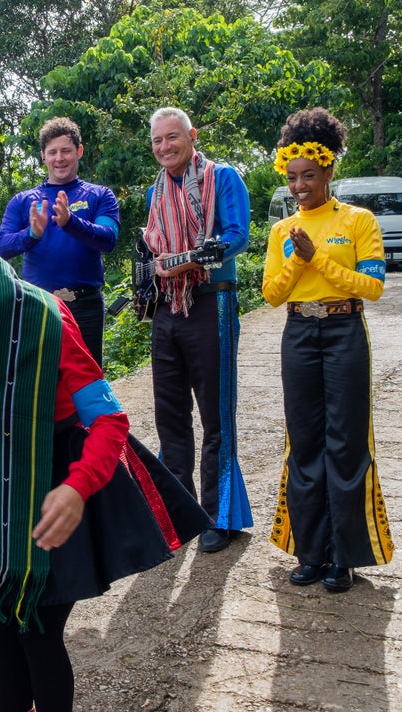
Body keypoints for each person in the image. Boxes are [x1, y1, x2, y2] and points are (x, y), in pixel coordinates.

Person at [0, 188, 209, 712]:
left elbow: (109, 422)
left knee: (37, 633)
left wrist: (76, 489)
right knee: (3, 628)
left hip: (49, 487)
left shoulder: (46, 318)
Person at [262, 107, 394, 592]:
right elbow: (272, 294)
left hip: (344, 331)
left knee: (345, 440)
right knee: (305, 441)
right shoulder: (281, 232)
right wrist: (299, 263)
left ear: (328, 171)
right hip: (298, 334)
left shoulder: (358, 221)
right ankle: (311, 552)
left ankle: (345, 555)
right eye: (293, 177)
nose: (300, 186)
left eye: (309, 176)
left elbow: (373, 287)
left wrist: (320, 261)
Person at [144, 106, 253, 554]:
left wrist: (187, 261)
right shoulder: (157, 188)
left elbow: (237, 236)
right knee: (170, 415)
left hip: (211, 301)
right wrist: (158, 268)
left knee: (215, 415)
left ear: (192, 136)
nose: (165, 147)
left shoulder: (221, 177)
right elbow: (153, 243)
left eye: (172, 137)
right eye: (157, 141)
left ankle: (219, 515)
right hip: (168, 307)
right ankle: (179, 510)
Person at [0, 116, 121, 363]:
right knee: (41, 379)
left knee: (88, 382)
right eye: (52, 152)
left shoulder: (100, 195)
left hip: (85, 305)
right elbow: (0, 247)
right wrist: (32, 235)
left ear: (79, 151)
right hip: (39, 304)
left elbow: (109, 238)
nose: (59, 158)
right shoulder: (23, 200)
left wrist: (70, 222)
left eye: (66, 150)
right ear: (43, 156)